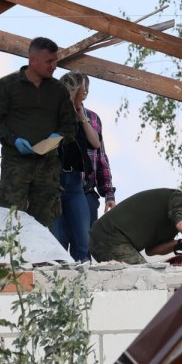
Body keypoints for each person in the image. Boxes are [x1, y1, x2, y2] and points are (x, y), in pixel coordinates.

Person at [0, 37, 78, 227]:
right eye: (49, 61)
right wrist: (13, 140)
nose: (54, 66)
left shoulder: (58, 91)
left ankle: (39, 258)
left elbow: (70, 126)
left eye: (55, 60)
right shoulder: (8, 86)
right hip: (15, 167)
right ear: (32, 60)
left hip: (47, 168)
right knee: (8, 221)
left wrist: (58, 138)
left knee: (42, 226)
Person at [49, 72, 102, 261]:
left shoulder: (85, 117)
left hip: (75, 183)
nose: (85, 95)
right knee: (56, 242)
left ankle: (82, 282)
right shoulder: (54, 113)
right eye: (82, 91)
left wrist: (81, 115)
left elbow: (96, 144)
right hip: (54, 182)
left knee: (83, 242)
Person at [89, 188, 182, 265]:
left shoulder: (174, 220)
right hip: (109, 237)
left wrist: (180, 244)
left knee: (146, 280)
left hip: (109, 239)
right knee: (146, 279)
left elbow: (152, 251)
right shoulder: (181, 199)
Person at [69, 72, 116, 224]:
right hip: (59, 191)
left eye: (82, 90)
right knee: (57, 244)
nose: (79, 93)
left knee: (85, 245)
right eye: (74, 89)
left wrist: (109, 193)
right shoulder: (56, 114)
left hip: (86, 192)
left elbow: (100, 156)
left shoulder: (93, 118)